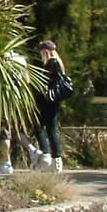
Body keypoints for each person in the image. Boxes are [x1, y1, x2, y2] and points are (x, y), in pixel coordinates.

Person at [34, 38, 70, 172]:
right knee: (51, 129)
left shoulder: (51, 63)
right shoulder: (59, 63)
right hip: (54, 102)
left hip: (48, 101)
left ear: (45, 51)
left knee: (39, 127)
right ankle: (56, 161)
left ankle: (46, 155)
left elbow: (46, 82)